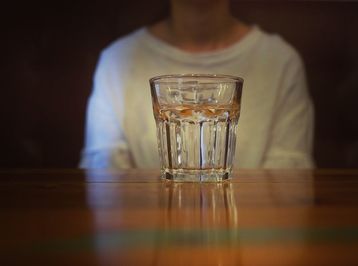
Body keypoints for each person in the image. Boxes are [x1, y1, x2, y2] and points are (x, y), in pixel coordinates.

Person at [80, 0, 315, 169]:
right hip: (150, 235)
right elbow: (102, 177)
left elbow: (289, 179)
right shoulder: (117, 61)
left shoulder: (280, 60)